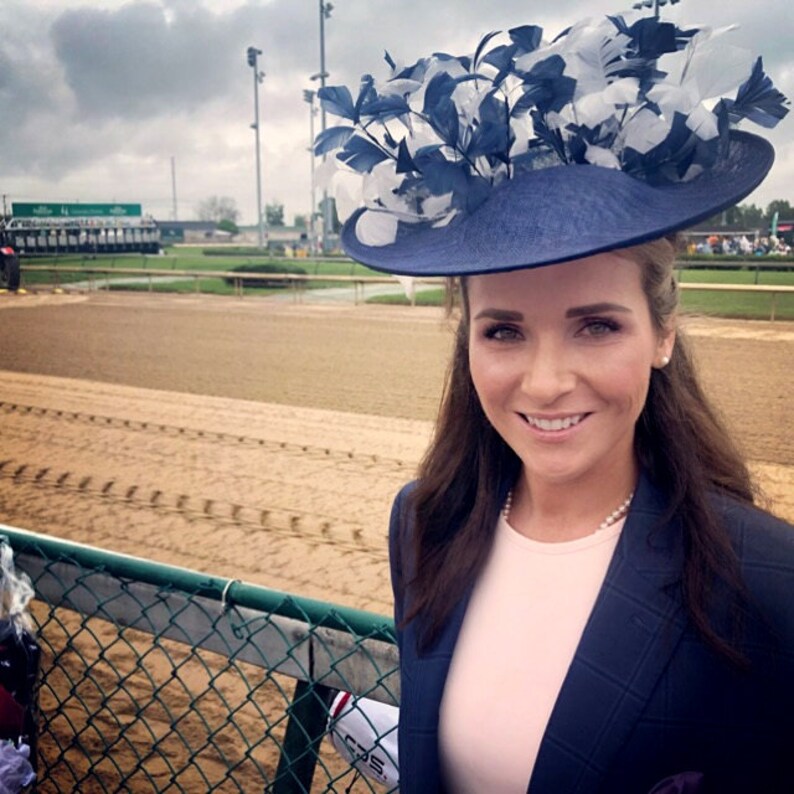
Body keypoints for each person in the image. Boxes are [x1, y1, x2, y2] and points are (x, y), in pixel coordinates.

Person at [315, 11, 792, 793]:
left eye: (597, 326)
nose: (544, 382)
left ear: (664, 332)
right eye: (504, 332)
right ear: (465, 337)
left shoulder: (765, 583)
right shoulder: (425, 524)